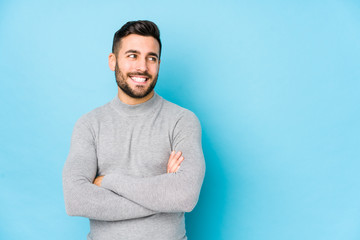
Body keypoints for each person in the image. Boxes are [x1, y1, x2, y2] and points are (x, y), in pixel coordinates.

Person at [62, 20, 206, 240]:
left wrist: (108, 181)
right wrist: (162, 196)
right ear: (113, 61)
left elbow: (185, 196)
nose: (142, 67)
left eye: (152, 58)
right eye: (132, 55)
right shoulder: (89, 124)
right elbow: (76, 200)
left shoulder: (182, 120)